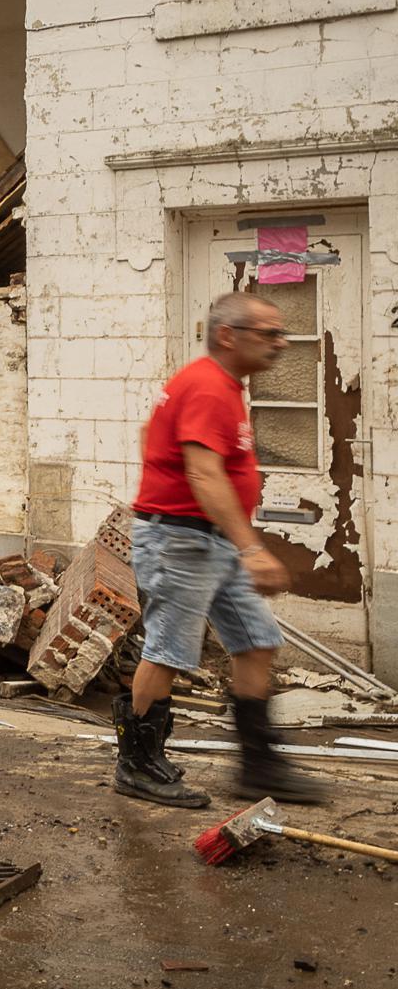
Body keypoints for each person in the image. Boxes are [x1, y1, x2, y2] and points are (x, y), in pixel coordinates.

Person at [116, 291, 324, 808]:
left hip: (209, 540)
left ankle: (259, 767)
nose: (281, 343)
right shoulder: (209, 386)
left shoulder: (218, 386)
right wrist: (252, 549)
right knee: (167, 652)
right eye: (269, 333)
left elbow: (151, 435)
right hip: (182, 540)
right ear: (228, 335)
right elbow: (204, 472)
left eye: (281, 333)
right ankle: (136, 766)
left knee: (256, 640)